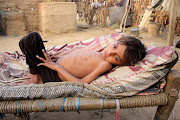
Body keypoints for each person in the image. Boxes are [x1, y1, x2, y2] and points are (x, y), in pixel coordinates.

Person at [18, 32, 146, 85]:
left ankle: (35, 77)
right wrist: (55, 58)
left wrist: (55, 66)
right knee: (33, 40)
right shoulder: (99, 53)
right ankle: (36, 69)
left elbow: (82, 83)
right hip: (53, 64)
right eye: (114, 46)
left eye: (116, 58)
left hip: (53, 74)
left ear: (122, 64)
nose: (110, 53)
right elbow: (75, 57)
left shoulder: (105, 64)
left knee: (30, 39)